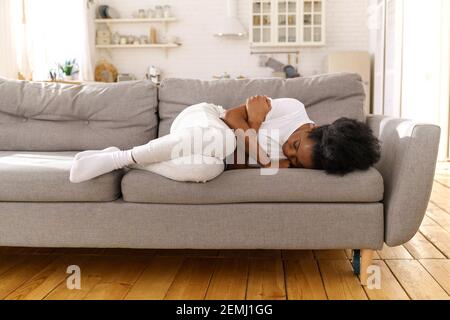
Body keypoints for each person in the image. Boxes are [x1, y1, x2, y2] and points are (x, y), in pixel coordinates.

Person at [69, 95, 381, 183]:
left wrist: (253, 131)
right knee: (223, 143)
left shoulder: (300, 163)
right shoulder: (293, 109)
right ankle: (119, 157)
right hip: (202, 120)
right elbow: (231, 117)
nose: (290, 152)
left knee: (207, 171)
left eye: (297, 160)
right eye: (297, 145)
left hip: (212, 154)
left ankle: (125, 163)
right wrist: (263, 156)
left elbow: (232, 168)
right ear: (314, 127)